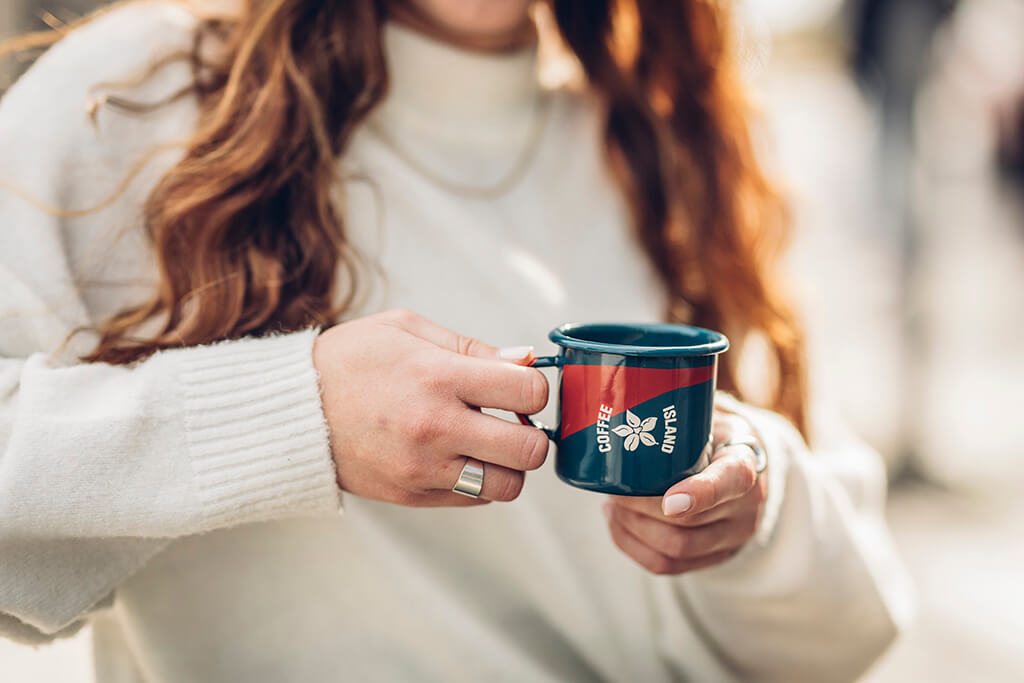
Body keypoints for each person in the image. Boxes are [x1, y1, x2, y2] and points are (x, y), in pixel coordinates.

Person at [0, 0, 912, 680]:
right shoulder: (132, 106)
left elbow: (861, 621)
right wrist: (293, 414)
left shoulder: (674, 139)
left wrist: (756, 513)